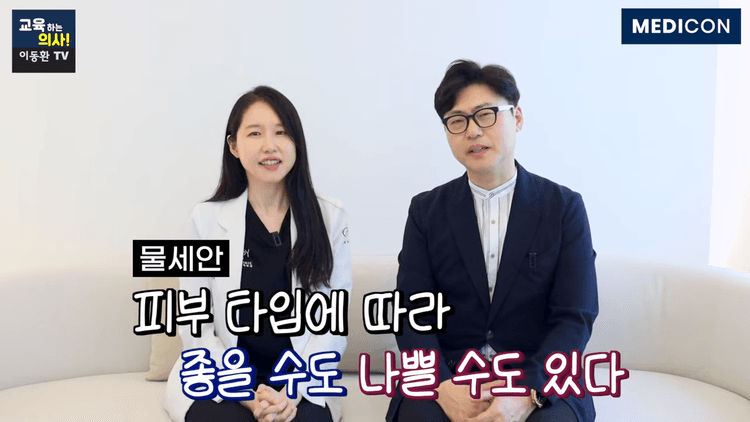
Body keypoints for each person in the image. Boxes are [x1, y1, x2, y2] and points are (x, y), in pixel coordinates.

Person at [386, 60, 598, 422]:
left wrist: (529, 392)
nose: (472, 131)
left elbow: (574, 316)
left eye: (486, 115)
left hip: (538, 372)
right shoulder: (426, 211)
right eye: (457, 121)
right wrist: (441, 386)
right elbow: (410, 314)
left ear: (517, 117)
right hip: (451, 373)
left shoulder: (563, 207)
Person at [165, 86, 352, 422]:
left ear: (296, 142)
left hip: (300, 381)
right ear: (234, 146)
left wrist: (289, 393)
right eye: (255, 133)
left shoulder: (330, 217)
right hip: (222, 377)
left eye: (281, 132)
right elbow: (196, 325)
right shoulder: (205, 220)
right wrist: (248, 395)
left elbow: (331, 326)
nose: (270, 145)